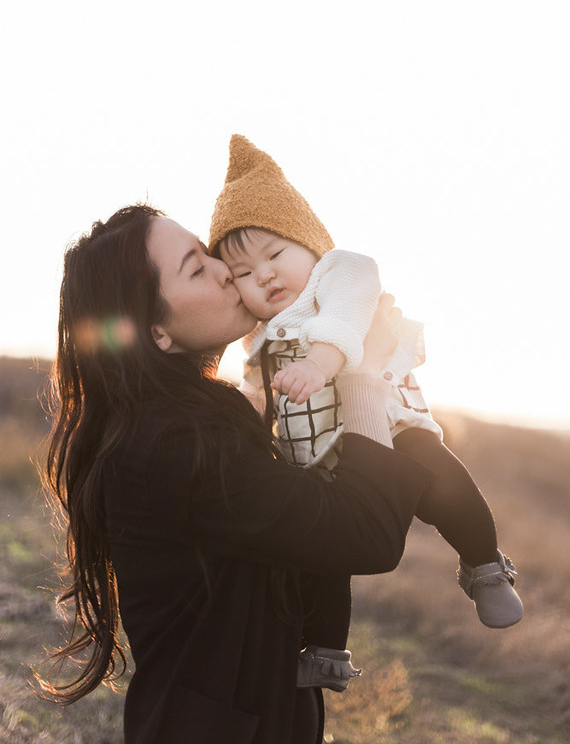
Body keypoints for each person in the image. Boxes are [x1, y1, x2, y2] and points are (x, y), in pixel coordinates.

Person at [37, 202, 437, 744]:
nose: (225, 268)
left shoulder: (185, 421)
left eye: (206, 252)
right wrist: (363, 372)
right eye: (196, 268)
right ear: (157, 331)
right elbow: (363, 532)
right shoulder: (174, 447)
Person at [208, 135, 524, 689]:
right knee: (324, 549)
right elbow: (258, 391)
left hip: (390, 421)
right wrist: (249, 406)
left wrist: (322, 362)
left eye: (274, 254)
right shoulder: (260, 337)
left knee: (440, 479)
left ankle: (484, 564)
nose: (262, 276)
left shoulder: (342, 272)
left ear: (310, 243)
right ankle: (325, 649)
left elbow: (352, 315)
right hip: (318, 454)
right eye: (240, 273)